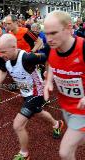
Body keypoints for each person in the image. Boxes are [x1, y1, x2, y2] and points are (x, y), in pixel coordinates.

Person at [0, 34, 64, 160]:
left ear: (14, 47)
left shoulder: (27, 57)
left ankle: (24, 154)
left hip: (37, 93)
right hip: (26, 93)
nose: (1, 55)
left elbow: (49, 58)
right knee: (39, 111)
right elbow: (3, 70)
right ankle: (56, 124)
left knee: (18, 125)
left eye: (3, 52)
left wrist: (48, 76)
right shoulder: (6, 60)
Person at [43, 11, 85, 160]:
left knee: (65, 152)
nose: (48, 39)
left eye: (53, 33)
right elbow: (52, 65)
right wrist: (48, 81)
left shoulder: (83, 47)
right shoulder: (54, 49)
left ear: (68, 28)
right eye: (46, 34)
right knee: (78, 143)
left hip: (82, 111)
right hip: (66, 108)